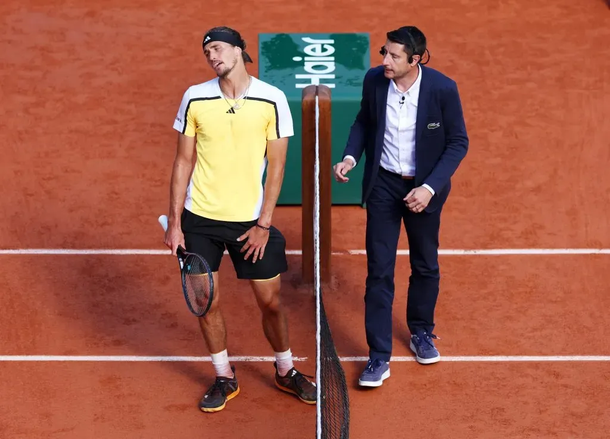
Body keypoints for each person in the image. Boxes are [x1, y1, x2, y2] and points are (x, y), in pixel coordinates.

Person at [164, 26, 316, 412]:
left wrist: (263, 224)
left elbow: (277, 166)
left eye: (217, 48)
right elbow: (183, 161)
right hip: (200, 219)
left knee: (271, 302)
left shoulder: (272, 99)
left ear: (239, 50)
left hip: (249, 223)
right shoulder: (195, 97)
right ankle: (223, 375)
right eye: (207, 53)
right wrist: (177, 223)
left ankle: (285, 370)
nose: (212, 57)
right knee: (206, 301)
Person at [333, 26, 469, 387]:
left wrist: (429, 188)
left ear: (415, 59)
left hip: (424, 188)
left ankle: (421, 331)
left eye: (394, 56)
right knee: (379, 270)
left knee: (425, 264)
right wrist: (350, 157)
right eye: (384, 53)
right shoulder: (375, 81)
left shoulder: (442, 88)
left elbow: (458, 142)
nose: (385, 61)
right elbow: (364, 121)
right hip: (384, 184)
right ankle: (378, 356)